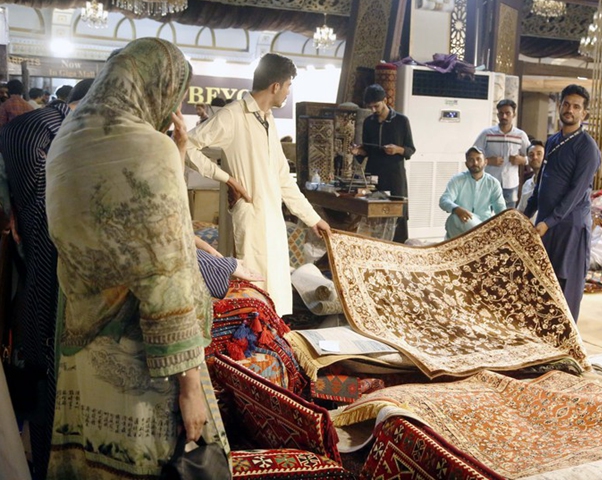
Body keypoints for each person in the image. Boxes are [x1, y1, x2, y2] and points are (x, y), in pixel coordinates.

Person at [44, 38, 229, 479]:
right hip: (142, 354)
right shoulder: (147, 147)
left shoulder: (66, 143)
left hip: (80, 337)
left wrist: (177, 152)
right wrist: (190, 387)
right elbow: (167, 271)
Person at [185, 52, 330, 317]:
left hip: (272, 218)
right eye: (287, 86)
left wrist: (312, 219)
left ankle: (274, 342)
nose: (287, 92)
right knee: (252, 287)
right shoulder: (232, 116)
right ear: (275, 86)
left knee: (276, 287)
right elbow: (187, 146)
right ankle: (252, 345)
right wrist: (225, 178)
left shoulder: (267, 120)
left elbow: (283, 178)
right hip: (251, 215)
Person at [0, 78, 93, 479]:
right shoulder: (34, 131)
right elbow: (50, 228)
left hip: (47, 279)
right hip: (48, 279)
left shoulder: (53, 131)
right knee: (50, 390)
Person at [523, 84, 602, 322]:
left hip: (570, 226)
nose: (570, 110)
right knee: (545, 280)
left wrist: (549, 222)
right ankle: (545, 336)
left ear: (584, 114)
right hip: (547, 225)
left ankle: (566, 342)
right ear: (560, 106)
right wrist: (526, 214)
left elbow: (577, 192)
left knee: (566, 284)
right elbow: (541, 183)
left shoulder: (587, 147)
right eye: (566, 104)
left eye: (576, 107)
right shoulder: (553, 140)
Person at [351, 84, 416, 243]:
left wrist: (397, 150)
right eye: (370, 107)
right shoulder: (368, 122)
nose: (373, 110)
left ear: (385, 100)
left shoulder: (401, 121)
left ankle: (399, 252)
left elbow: (410, 149)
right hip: (373, 174)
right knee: (373, 214)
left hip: (394, 175)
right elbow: (367, 150)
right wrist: (359, 152)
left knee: (397, 215)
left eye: (376, 106)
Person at [474, 99, 530, 209]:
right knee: (486, 214)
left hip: (511, 184)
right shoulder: (487, 134)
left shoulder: (520, 135)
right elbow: (473, 155)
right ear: (497, 114)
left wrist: (522, 160)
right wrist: (488, 161)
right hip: (489, 183)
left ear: (513, 114)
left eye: (507, 113)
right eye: (501, 113)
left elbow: (531, 156)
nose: (504, 116)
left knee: (508, 216)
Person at [439, 146, 505, 239]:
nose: (475, 163)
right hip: (460, 226)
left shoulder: (493, 183)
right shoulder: (457, 180)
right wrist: (456, 209)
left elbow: (501, 210)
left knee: (458, 220)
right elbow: (444, 200)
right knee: (454, 218)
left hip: (482, 225)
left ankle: (480, 239)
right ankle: (482, 240)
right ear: (466, 164)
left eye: (478, 159)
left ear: (485, 162)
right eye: (471, 160)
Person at [516, 140, 545, 214]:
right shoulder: (527, 184)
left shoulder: (553, 182)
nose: (535, 157)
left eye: (539, 154)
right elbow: (520, 211)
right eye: (531, 155)